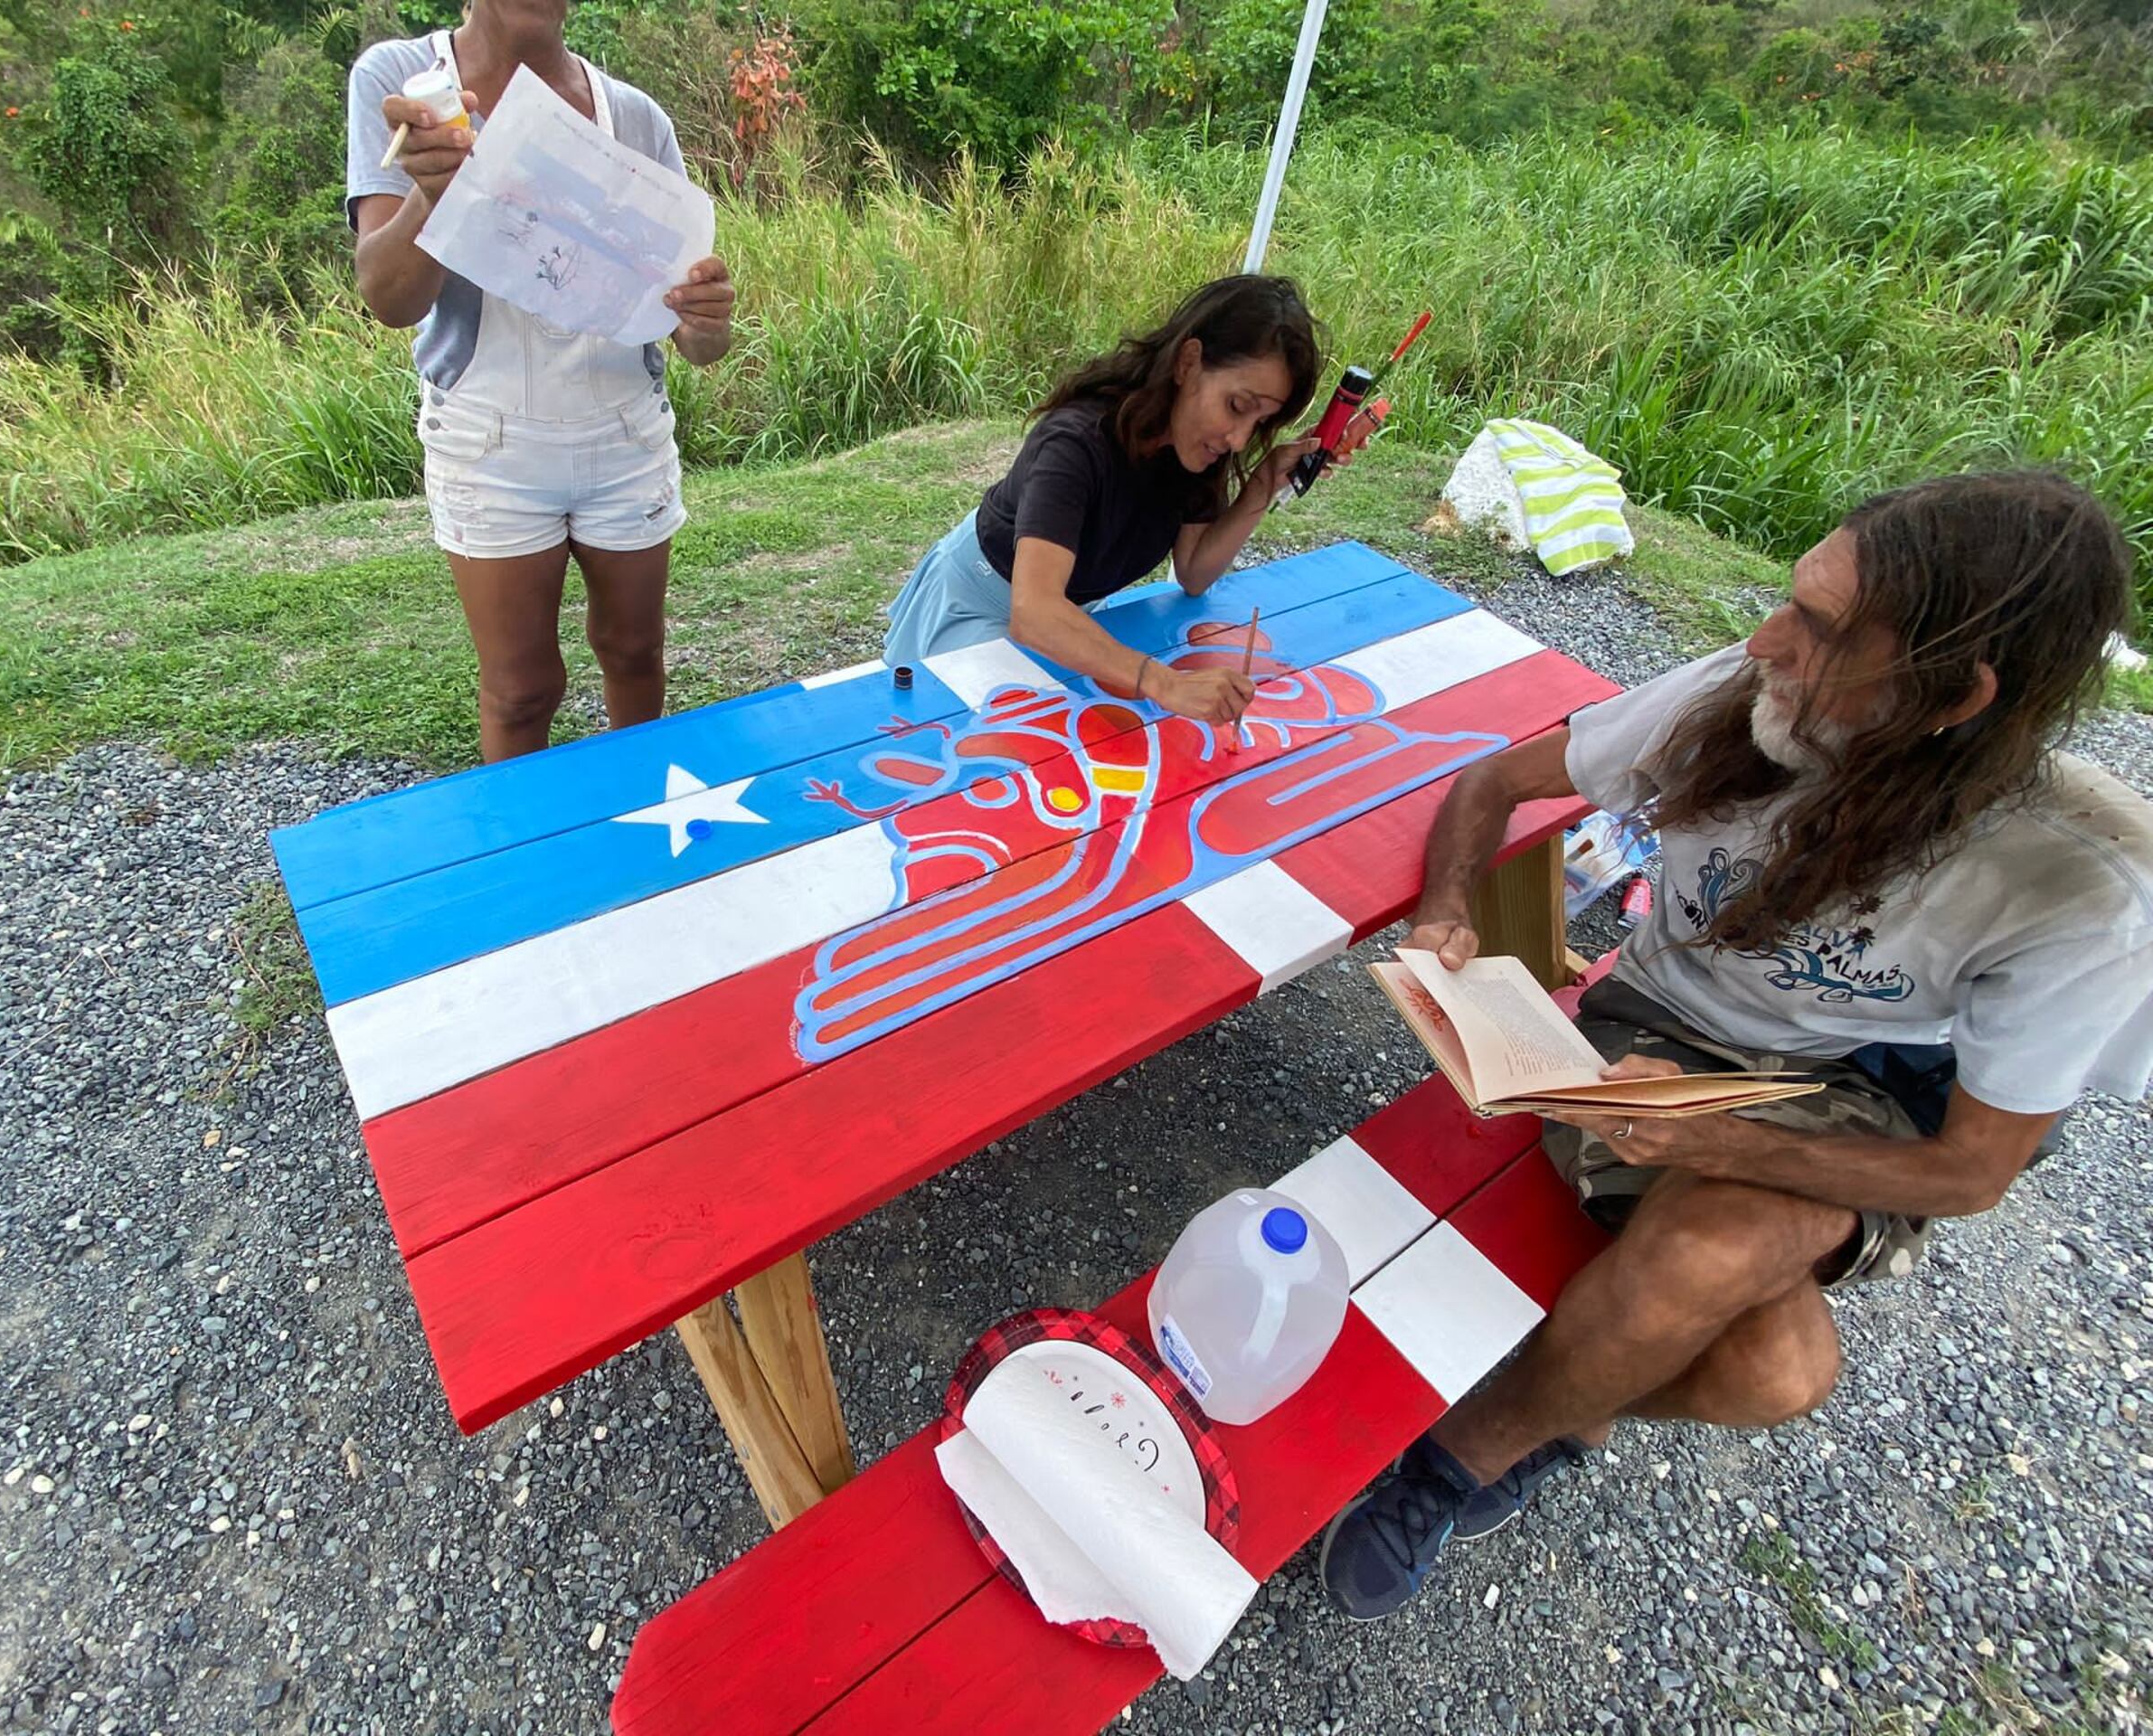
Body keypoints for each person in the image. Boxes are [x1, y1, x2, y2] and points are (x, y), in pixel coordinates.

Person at [1318, 470, 2153, 1619]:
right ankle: (1574, 1402)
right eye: (1789, 598)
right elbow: (1490, 782)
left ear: (1952, 695)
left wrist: (1720, 1142)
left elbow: (1970, 1170)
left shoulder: (2079, 885)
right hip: (1654, 1022)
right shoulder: (1742, 695)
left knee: (1727, 1275)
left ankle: (1470, 1449)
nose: (1762, 639)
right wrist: (1446, 907)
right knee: (1780, 1373)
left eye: (1816, 628)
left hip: (1841, 1088)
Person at [344, 0, 737, 760]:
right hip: (491, 437)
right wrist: (434, 190)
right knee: (520, 691)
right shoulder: (407, 83)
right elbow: (390, 298)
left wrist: (707, 319)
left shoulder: (634, 117)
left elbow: (694, 336)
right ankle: (538, 871)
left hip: (624, 427)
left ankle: (646, 843)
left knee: (634, 654)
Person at [883, 276, 1325, 728]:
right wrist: (1165, 682)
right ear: (1188, 362)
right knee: (1006, 759)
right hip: (980, 604)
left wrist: (1265, 481)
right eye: (1236, 405)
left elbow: (1193, 572)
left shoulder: (1197, 452)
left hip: (1068, 618)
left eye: (1261, 421)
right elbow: (1033, 611)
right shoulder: (1075, 441)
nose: (1238, 440)